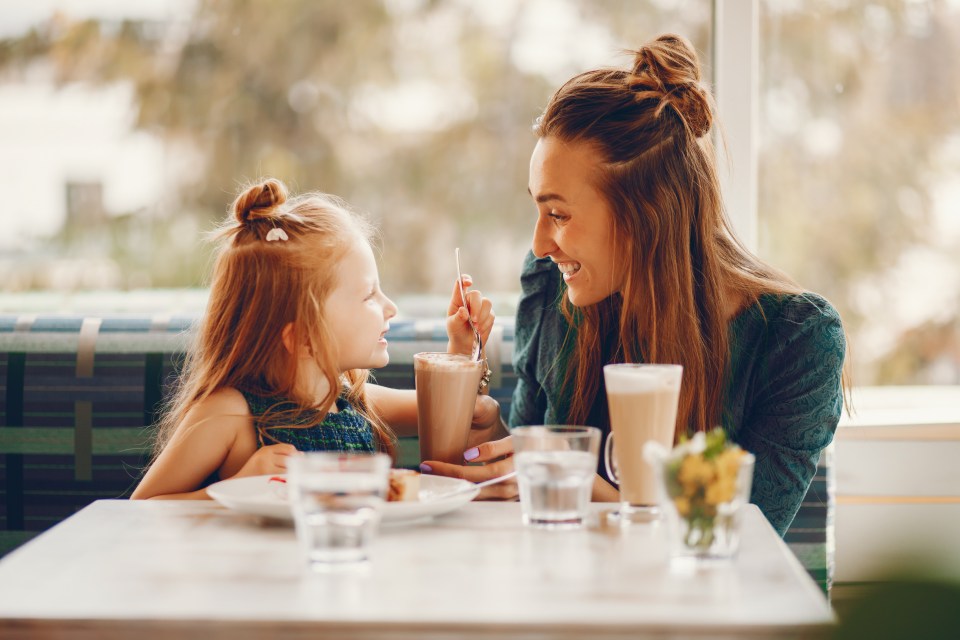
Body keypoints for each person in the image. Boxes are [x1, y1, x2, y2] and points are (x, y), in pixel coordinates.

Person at [424, 34, 846, 535]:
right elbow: (535, 483)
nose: (540, 245)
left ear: (644, 215)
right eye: (537, 210)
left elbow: (739, 538)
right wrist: (492, 437)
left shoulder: (796, 342)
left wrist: (573, 472)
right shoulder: (553, 290)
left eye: (558, 214)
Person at [132, 178, 496, 500]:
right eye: (370, 295)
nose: (390, 308)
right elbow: (140, 511)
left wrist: (462, 350)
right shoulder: (229, 412)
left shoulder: (351, 400)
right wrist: (235, 487)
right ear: (304, 337)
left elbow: (449, 414)